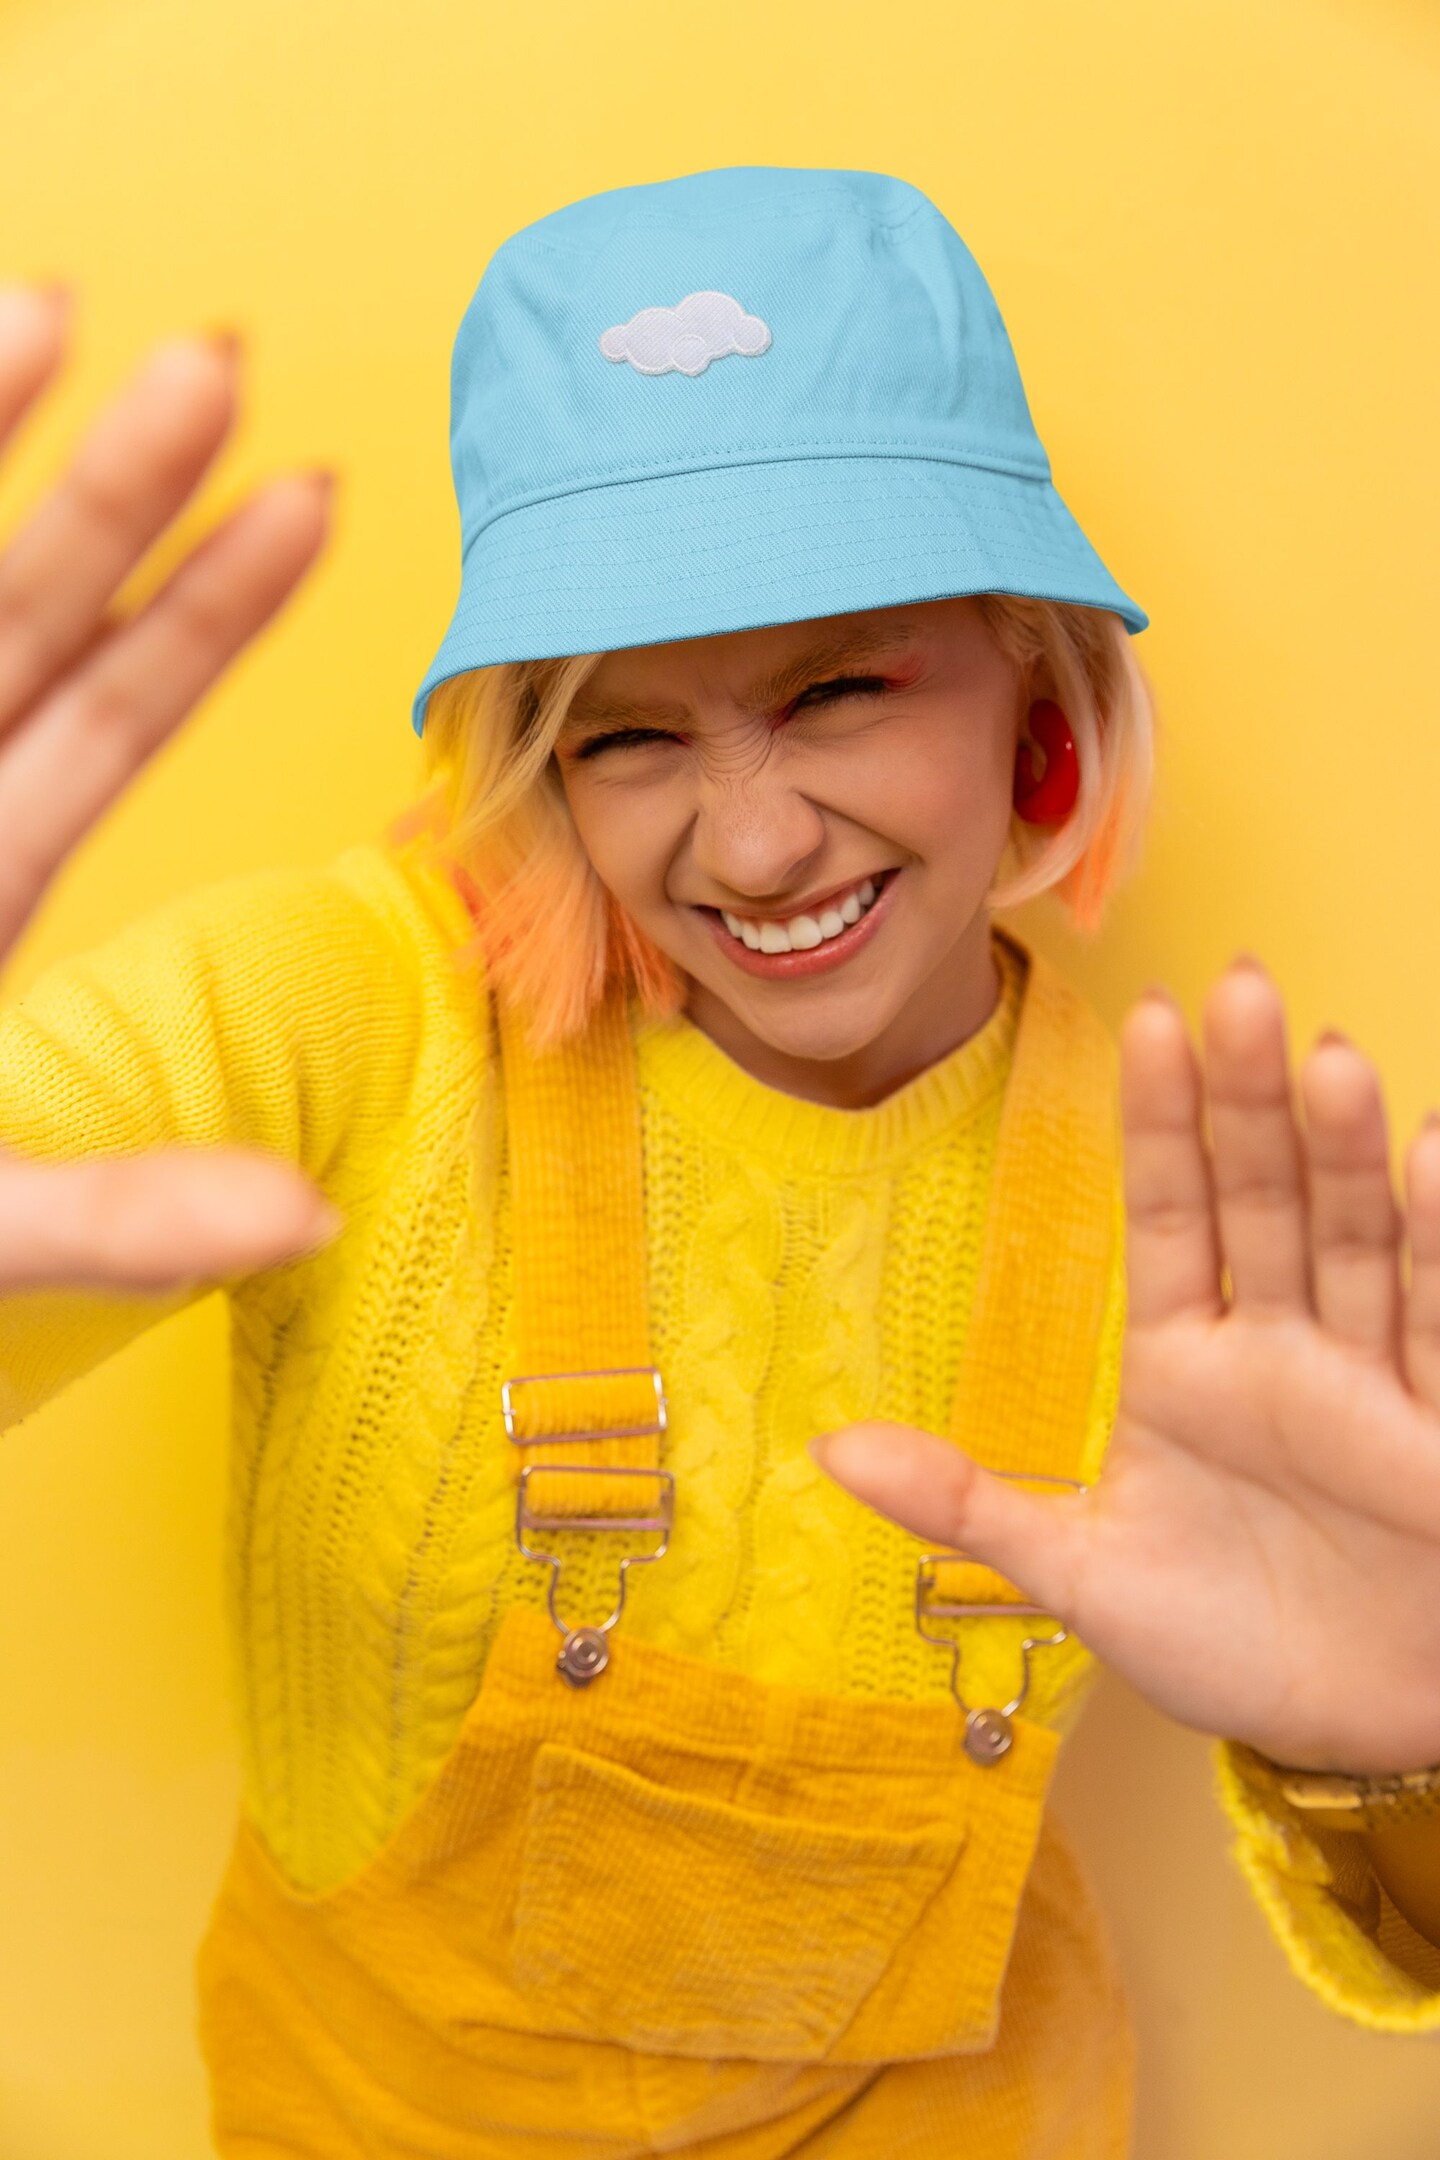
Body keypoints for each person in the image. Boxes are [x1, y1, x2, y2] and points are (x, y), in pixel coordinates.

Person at [0, 166, 1438, 2158]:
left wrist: (1403, 1756)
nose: (754, 847)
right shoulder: (351, 1014)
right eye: (625, 737)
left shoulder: (1207, 1233)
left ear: (1030, 675)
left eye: (837, 689)